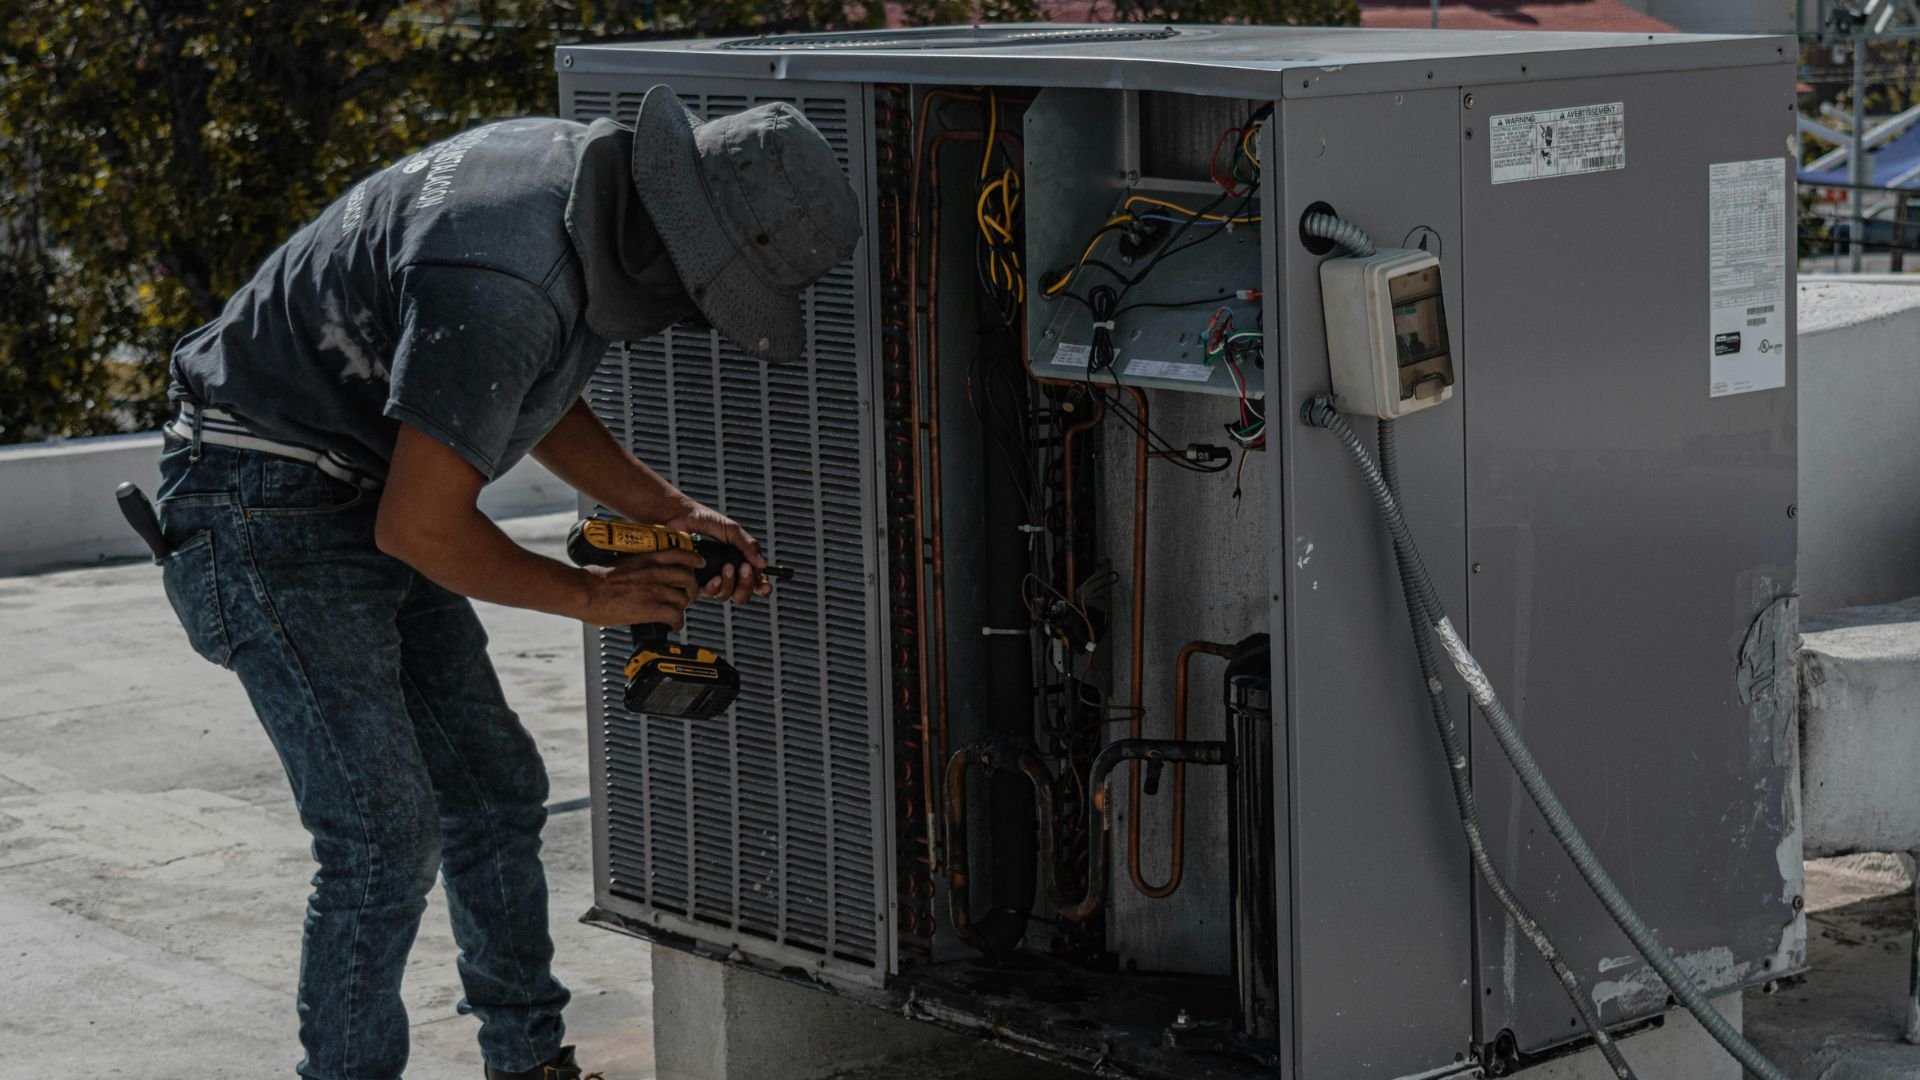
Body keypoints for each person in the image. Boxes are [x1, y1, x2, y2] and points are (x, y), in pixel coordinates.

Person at [153, 85, 862, 1080]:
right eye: (709, 296)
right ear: (680, 250)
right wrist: (593, 598)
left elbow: (506, 384)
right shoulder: (505, 275)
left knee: (493, 790)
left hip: (346, 476)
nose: (692, 321)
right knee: (380, 836)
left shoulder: (569, 186)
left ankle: (527, 1064)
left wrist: (668, 510)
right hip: (258, 501)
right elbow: (421, 524)